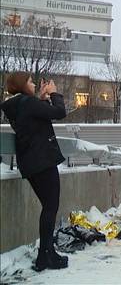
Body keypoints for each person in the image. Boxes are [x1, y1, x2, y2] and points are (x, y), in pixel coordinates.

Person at [0, 72, 68, 271]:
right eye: (30, 81)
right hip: (42, 161)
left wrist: (41, 99)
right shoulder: (27, 104)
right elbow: (59, 112)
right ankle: (45, 257)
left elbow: (37, 118)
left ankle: (47, 253)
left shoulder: (19, 104)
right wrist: (55, 94)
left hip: (32, 162)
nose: (34, 83)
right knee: (50, 206)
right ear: (22, 85)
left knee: (49, 206)